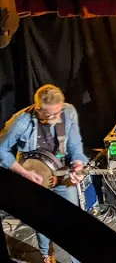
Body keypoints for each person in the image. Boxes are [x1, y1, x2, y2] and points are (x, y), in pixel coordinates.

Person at [0, 84, 88, 263]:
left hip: (61, 175)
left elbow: (75, 145)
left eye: (58, 113)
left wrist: (78, 164)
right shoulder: (21, 121)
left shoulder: (68, 111)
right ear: (38, 109)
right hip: (34, 177)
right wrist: (23, 172)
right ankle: (47, 254)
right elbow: (1, 149)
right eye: (51, 115)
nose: (56, 118)